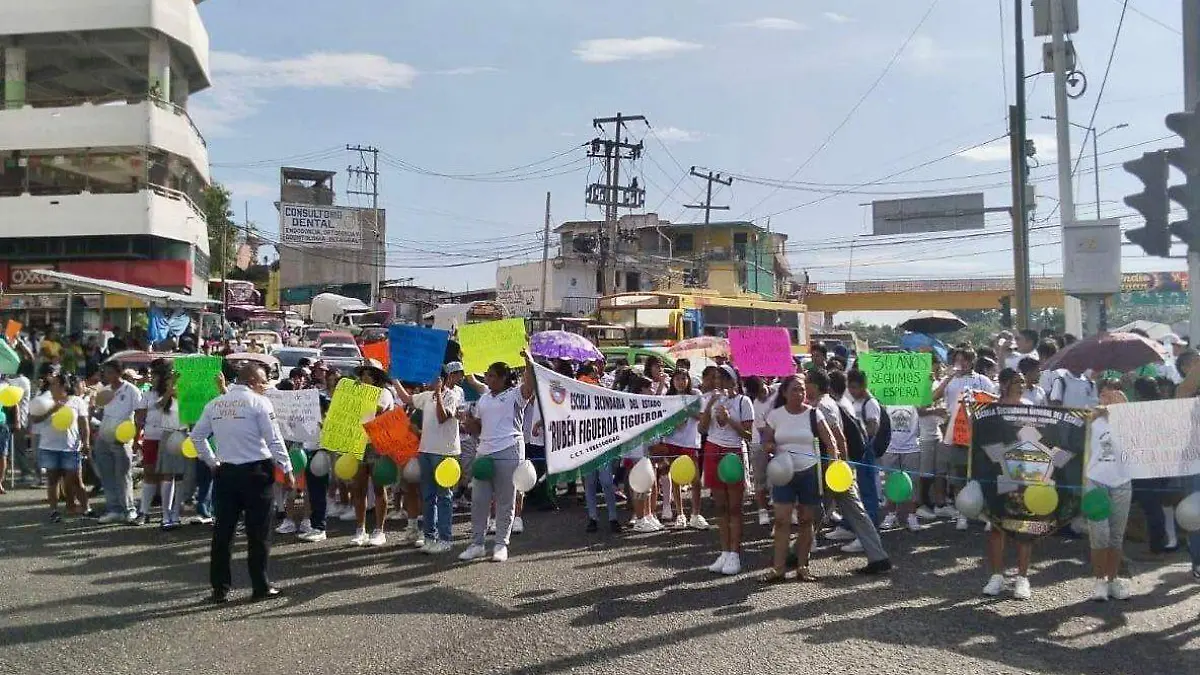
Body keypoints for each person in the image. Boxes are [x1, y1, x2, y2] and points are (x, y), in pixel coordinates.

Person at [190, 364, 293, 603]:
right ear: (251, 380)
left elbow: (196, 436)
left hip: (226, 473)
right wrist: (286, 468)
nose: (265, 385)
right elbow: (274, 439)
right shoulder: (259, 403)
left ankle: (219, 589)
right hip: (256, 472)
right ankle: (260, 586)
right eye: (263, 381)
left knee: (223, 533)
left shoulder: (215, 403)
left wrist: (212, 462)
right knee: (258, 533)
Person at [758, 374, 838, 583]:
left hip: (809, 473)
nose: (799, 393)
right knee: (782, 521)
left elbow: (830, 443)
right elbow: (766, 441)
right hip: (783, 474)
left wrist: (834, 465)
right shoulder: (775, 415)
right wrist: (770, 448)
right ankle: (778, 569)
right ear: (784, 393)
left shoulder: (814, 414)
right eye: (794, 389)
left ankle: (803, 566)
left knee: (806, 521)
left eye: (802, 389)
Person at [459, 353, 535, 563]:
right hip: (484, 452)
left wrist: (529, 362)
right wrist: (468, 422)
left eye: (492, 376)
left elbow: (529, 386)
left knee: (505, 500)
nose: (488, 379)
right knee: (479, 500)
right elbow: (477, 429)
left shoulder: (515, 394)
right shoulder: (483, 398)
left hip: (509, 450)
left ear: (503, 378)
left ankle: (501, 544)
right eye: (487, 375)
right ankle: (477, 544)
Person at [398, 362, 464, 555]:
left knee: (444, 496)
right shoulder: (426, 397)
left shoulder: (452, 396)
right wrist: (393, 378)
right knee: (427, 496)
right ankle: (429, 536)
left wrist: (439, 394)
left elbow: (443, 417)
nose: (429, 381)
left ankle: (445, 539)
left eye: (434, 377)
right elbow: (407, 399)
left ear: (442, 379)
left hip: (445, 453)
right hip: (425, 451)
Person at [981, 368, 1036, 600]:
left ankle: (1022, 578)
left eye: (1023, 381)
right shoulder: (991, 410)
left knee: (1024, 526)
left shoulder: (1031, 409)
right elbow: (983, 441)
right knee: (997, 526)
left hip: (1023, 474)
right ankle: (996, 576)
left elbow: (1036, 438)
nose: (1021, 385)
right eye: (1016, 381)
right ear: (1004, 384)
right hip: (998, 474)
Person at [933, 347, 998, 530]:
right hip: (956, 434)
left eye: (964, 360)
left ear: (972, 361)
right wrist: (948, 377)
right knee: (958, 474)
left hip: (978, 434)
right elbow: (934, 396)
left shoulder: (982, 380)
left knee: (981, 474)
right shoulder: (951, 381)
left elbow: (994, 402)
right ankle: (962, 513)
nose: (960, 364)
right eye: (958, 360)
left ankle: (985, 513)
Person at [699, 365, 752, 576]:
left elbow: (748, 435)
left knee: (734, 508)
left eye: (723, 377)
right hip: (712, 449)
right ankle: (724, 551)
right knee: (719, 507)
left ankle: (735, 553)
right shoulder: (708, 398)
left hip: (733, 452)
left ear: (733, 380)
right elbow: (702, 429)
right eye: (716, 377)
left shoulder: (743, 401)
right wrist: (711, 403)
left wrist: (729, 418)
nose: (718, 381)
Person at [1085, 404, 1134, 602]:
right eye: (1106, 392)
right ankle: (1099, 580)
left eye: (1117, 392)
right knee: (1099, 534)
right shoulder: (1091, 419)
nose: (1111, 397)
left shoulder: (1129, 421)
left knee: (1116, 535)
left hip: (1122, 482)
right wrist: (1091, 416)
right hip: (1094, 481)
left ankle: (1113, 580)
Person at [27, 371, 90, 522]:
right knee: (52, 481)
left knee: (75, 480)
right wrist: (52, 410)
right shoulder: (44, 401)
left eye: (54, 383)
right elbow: (34, 420)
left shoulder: (76, 401)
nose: (51, 386)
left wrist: (86, 442)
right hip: (49, 447)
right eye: (51, 383)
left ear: (64, 385)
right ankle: (54, 511)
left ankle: (86, 508)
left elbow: (83, 423)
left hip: (71, 447)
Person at [350, 360, 396, 547]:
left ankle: (379, 530)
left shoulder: (384, 394)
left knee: (378, 487)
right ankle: (360, 529)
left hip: (378, 445)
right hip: (359, 444)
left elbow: (373, 411)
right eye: (363, 373)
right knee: (358, 488)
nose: (364, 377)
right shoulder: (359, 393)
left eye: (368, 373)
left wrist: (353, 399)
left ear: (376, 377)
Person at [92, 360, 142, 525]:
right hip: (104, 437)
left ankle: (129, 509)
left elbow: (140, 415)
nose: (106, 375)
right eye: (105, 372)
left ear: (118, 373)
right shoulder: (105, 391)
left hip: (121, 440)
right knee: (107, 475)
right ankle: (114, 509)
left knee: (123, 475)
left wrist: (136, 439)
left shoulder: (131, 390)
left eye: (109, 372)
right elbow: (99, 411)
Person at [658, 369, 707, 530]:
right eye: (677, 379)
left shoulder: (695, 396)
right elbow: (663, 419)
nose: (681, 382)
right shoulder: (668, 398)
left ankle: (696, 514)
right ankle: (680, 514)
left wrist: (687, 411)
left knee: (695, 479)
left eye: (684, 378)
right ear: (672, 381)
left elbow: (703, 417)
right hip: (672, 440)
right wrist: (674, 422)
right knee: (676, 478)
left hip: (690, 442)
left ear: (688, 380)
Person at [879, 403, 922, 532]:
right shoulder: (886, 398)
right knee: (890, 483)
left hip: (911, 448)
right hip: (890, 447)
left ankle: (912, 516)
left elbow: (927, 403)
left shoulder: (915, 398)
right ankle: (891, 515)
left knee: (912, 484)